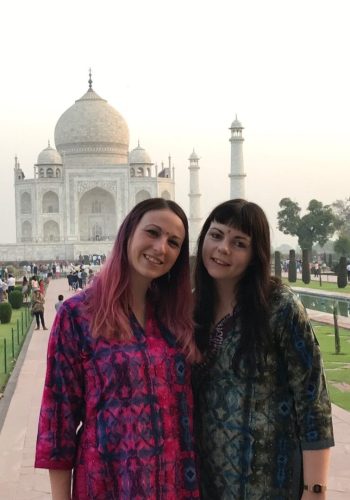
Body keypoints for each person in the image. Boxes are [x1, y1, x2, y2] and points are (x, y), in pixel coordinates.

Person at [35, 198, 200, 500]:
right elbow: (57, 420)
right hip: (107, 482)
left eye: (174, 242)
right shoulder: (79, 315)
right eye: (152, 233)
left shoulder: (175, 318)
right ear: (128, 234)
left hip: (175, 483)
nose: (161, 248)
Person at [192, 199, 334, 499]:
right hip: (206, 484)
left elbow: (313, 403)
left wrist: (315, 489)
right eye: (216, 235)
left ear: (254, 254)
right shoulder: (192, 309)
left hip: (271, 485)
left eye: (238, 242)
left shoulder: (279, 307)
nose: (223, 248)